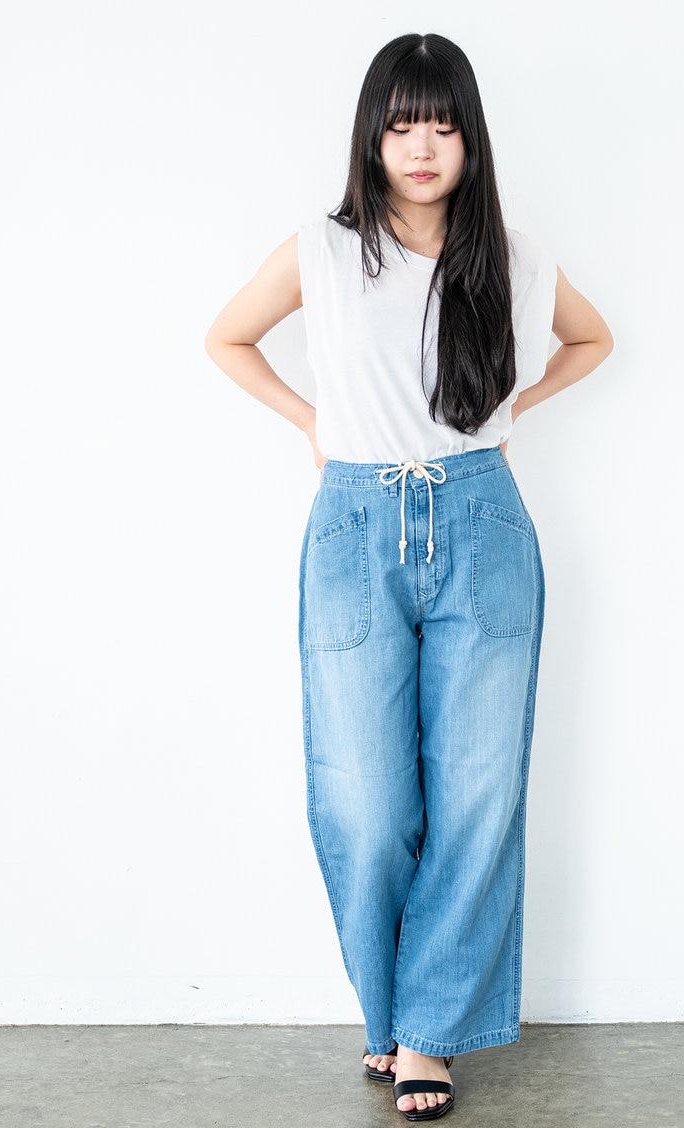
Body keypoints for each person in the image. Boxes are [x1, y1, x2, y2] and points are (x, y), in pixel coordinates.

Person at [205, 32, 613, 1122]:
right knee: (364, 799)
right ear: (372, 137)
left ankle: (428, 1035)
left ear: (470, 137)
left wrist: (513, 408)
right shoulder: (322, 251)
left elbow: (591, 340)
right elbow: (227, 338)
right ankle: (384, 1015)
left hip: (481, 519)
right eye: (400, 124)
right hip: (354, 524)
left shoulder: (515, 258)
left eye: (441, 123)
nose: (421, 146)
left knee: (478, 793)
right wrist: (311, 423)